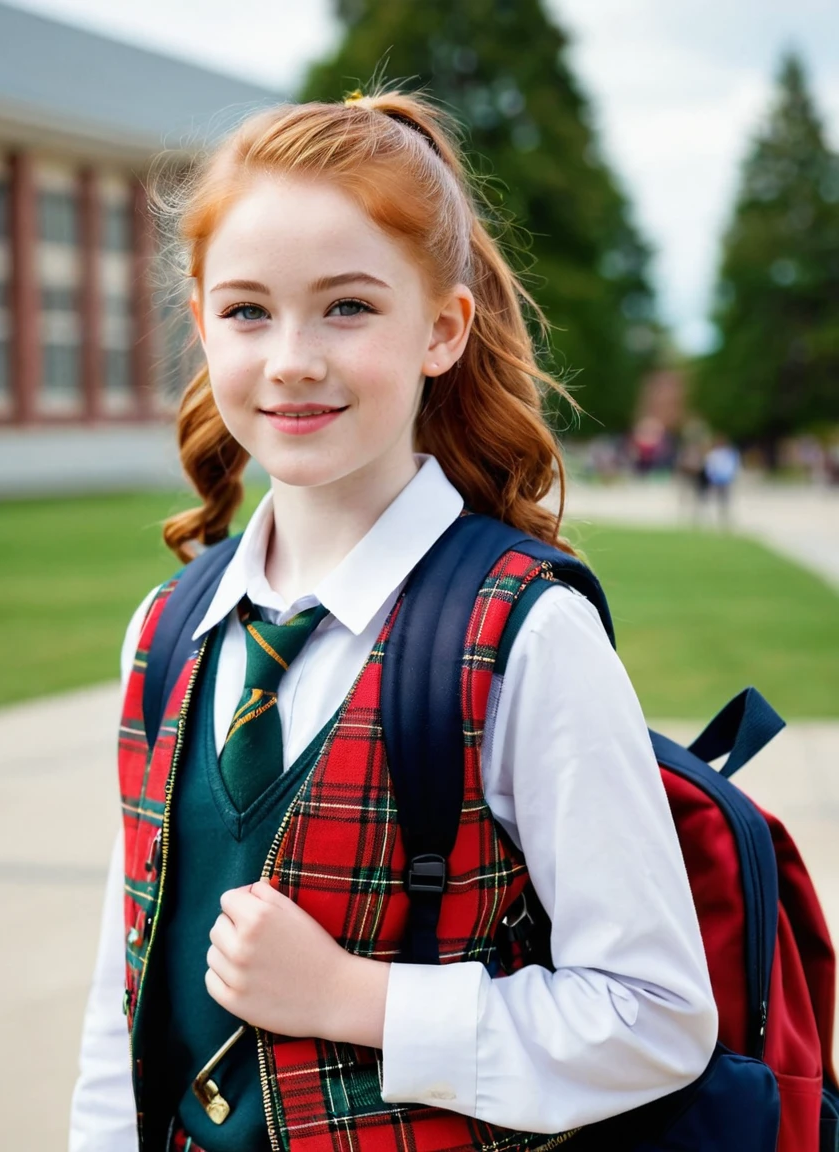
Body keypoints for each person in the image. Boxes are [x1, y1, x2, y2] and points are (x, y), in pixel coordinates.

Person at [69, 91, 717, 1152]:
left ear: (442, 330)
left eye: (347, 307)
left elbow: (653, 1018)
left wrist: (357, 999)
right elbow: (121, 1002)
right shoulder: (165, 631)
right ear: (199, 323)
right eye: (246, 311)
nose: (290, 358)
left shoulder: (524, 637)